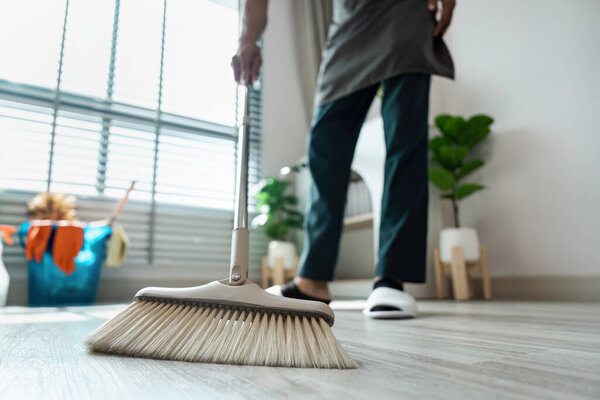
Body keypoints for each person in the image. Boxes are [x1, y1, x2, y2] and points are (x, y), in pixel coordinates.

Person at [232, 0, 455, 318]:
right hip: (348, 21)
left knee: (404, 139)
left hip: (405, 14)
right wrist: (247, 38)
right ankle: (312, 281)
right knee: (324, 144)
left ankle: (391, 278)